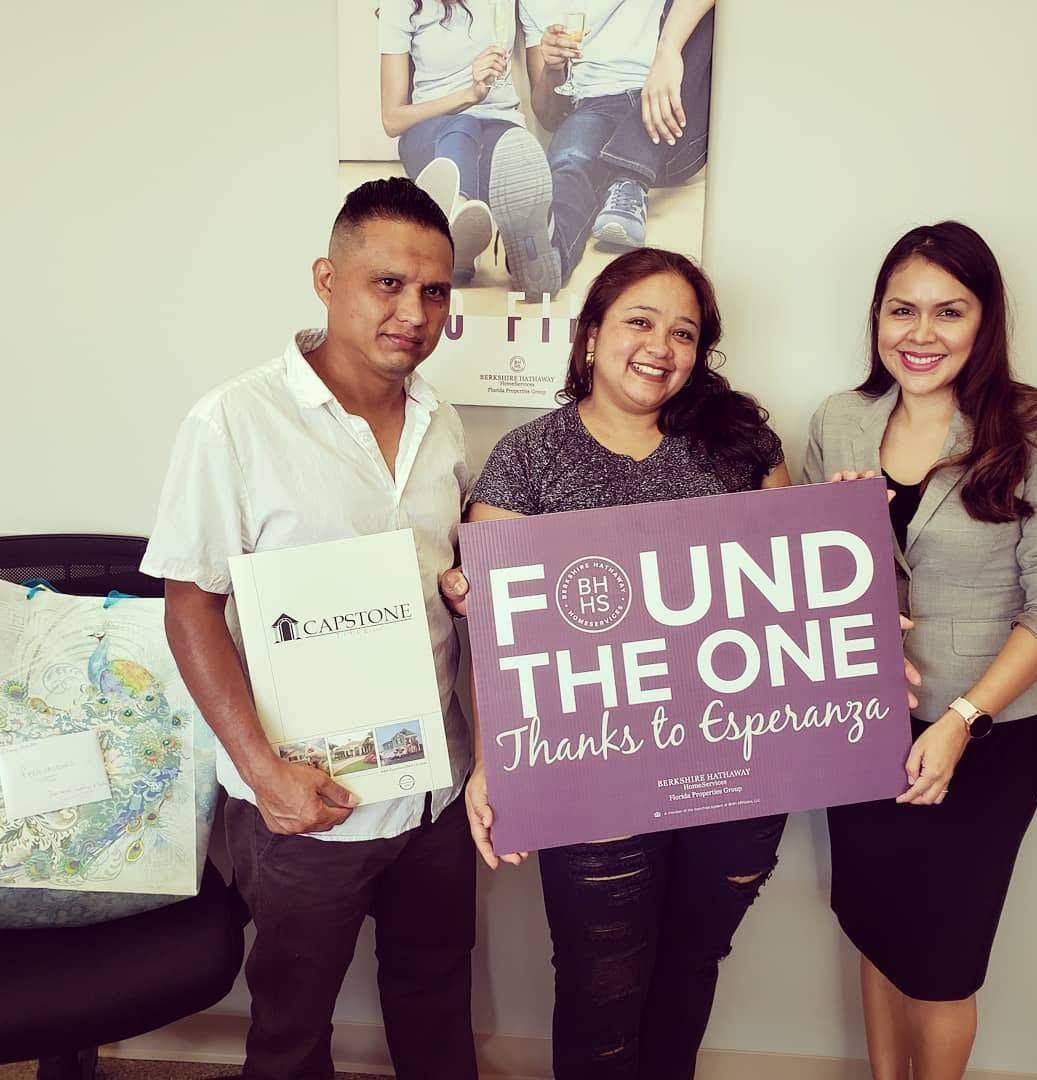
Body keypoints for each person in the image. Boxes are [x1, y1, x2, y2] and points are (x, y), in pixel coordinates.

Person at [140, 179, 478, 1080]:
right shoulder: (235, 422)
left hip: (435, 787)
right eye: (388, 283)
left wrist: (461, 591)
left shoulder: (444, 426)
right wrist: (265, 773)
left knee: (438, 1002)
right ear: (327, 279)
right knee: (291, 1032)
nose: (413, 310)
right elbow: (190, 608)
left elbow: (442, 583)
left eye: (435, 291)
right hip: (306, 801)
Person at [464, 247, 790, 1079]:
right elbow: (494, 640)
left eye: (684, 332)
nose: (661, 347)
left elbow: (798, 595)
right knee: (600, 988)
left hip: (733, 771)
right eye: (640, 322)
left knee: (689, 969)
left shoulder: (743, 447)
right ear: (592, 335)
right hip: (590, 778)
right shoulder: (527, 457)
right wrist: (495, 760)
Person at [804, 221, 1037, 1080]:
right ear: (876, 318)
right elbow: (805, 588)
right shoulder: (841, 421)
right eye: (901, 310)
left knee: (944, 964)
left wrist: (961, 719)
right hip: (861, 734)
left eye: (947, 312)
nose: (919, 335)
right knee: (878, 929)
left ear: (985, 320)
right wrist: (832, 538)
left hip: (983, 743)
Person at [519, 0, 714, 285]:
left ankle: (629, 180)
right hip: (593, 108)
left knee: (704, 21)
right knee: (569, 162)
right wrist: (552, 69)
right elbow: (548, 115)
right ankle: (546, 258)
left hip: (669, 105)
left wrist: (668, 50)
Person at [379, 0, 560, 298]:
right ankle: (457, 216)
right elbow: (392, 118)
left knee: (516, 151)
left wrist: (557, 60)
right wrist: (469, 95)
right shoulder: (401, 5)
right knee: (462, 127)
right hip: (432, 137)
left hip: (497, 128)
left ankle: (497, 246)